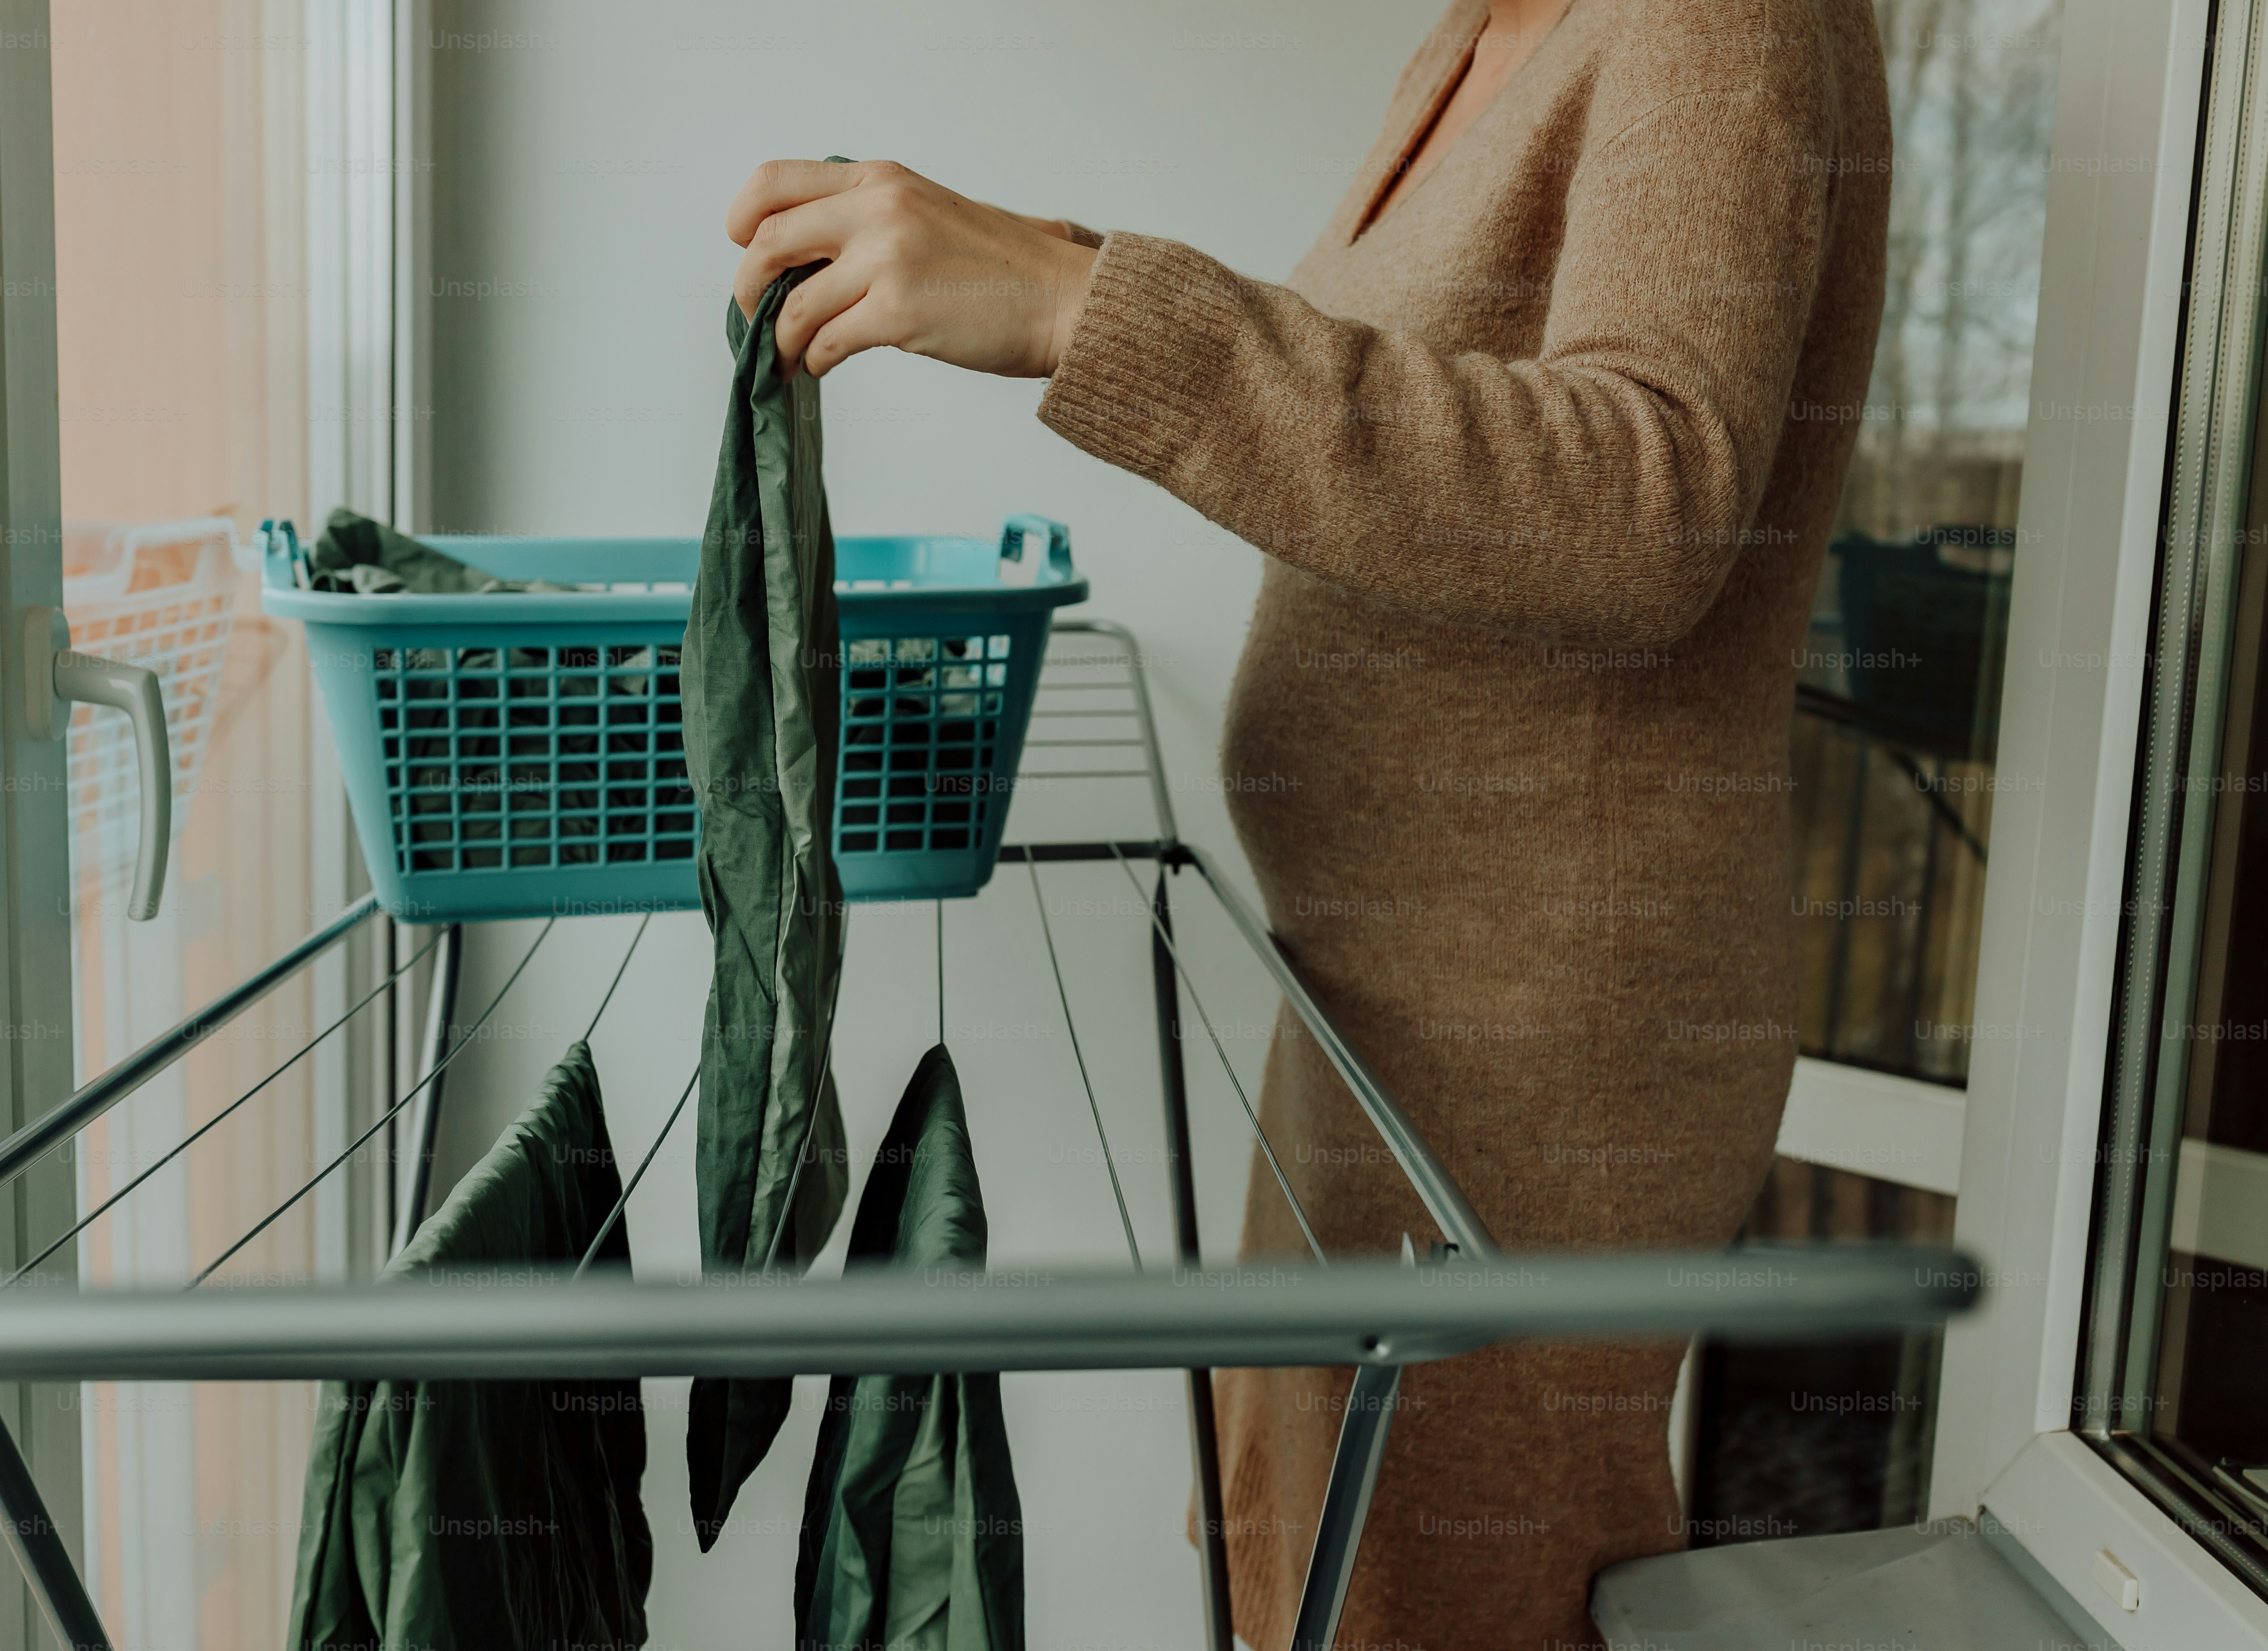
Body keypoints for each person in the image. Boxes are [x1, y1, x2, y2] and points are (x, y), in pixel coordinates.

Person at [727, 0, 1891, 1641]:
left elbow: (1647, 498)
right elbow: (1401, 385)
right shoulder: (1483, 35)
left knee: (1449, 1594)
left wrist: (1082, 305)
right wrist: (1043, 255)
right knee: (1324, 1560)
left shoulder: (1712, 19)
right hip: (1369, 991)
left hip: (1540, 1045)